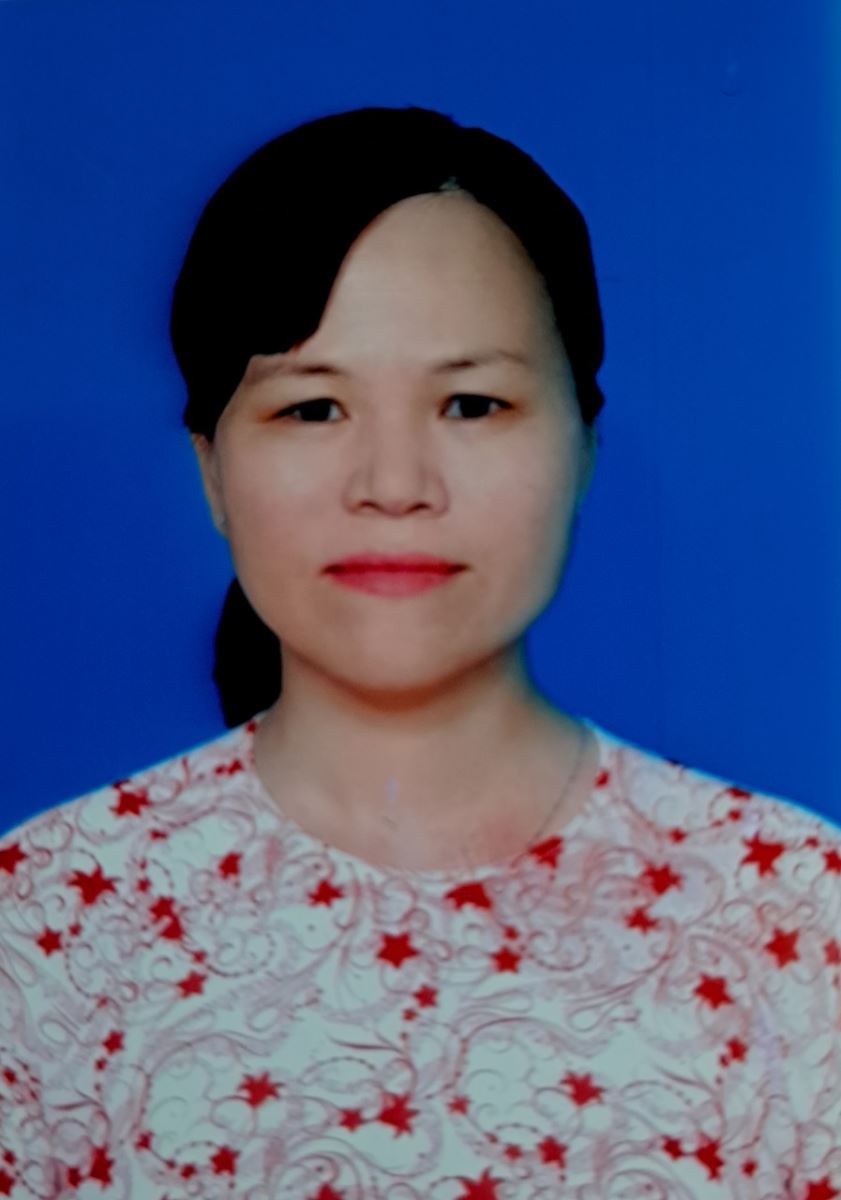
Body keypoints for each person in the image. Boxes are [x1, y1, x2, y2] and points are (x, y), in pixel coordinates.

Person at [1, 105, 839, 1197]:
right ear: (211, 470)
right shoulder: (46, 926)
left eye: (471, 403)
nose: (393, 485)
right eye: (312, 410)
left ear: (584, 445)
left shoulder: (793, 919)